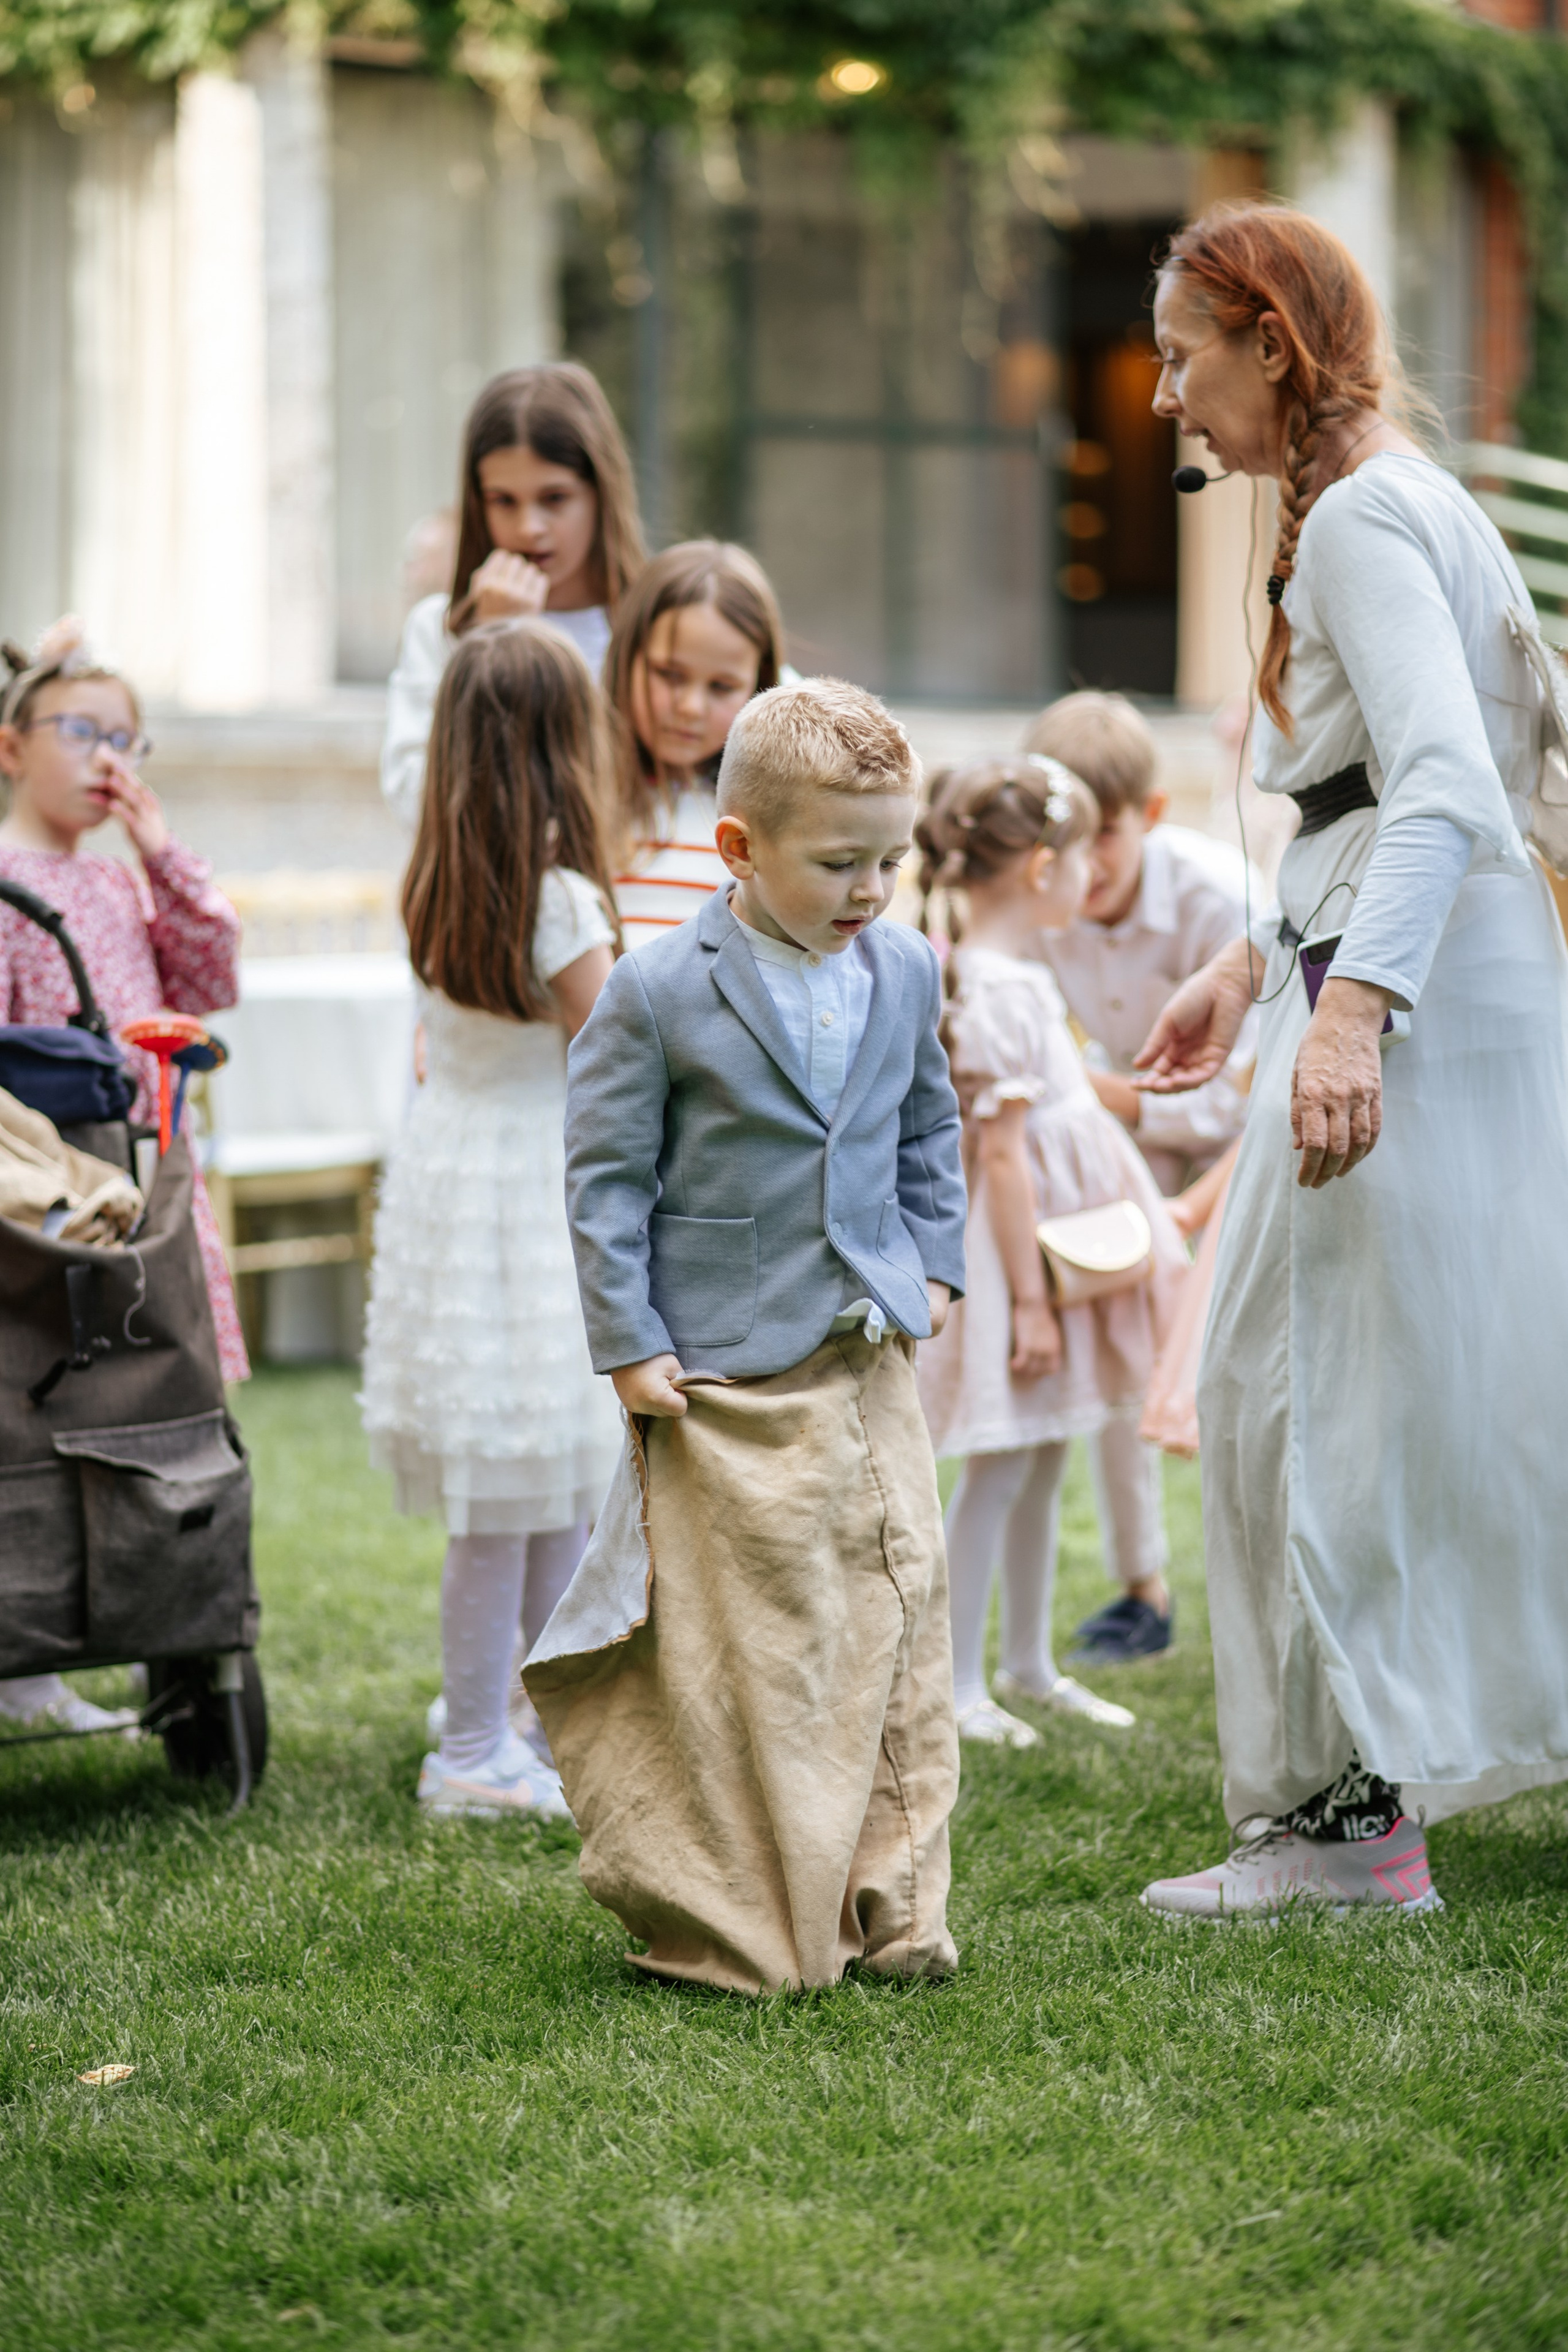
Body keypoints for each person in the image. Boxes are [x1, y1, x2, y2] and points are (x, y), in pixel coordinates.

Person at [1134, 198, 1568, 1918]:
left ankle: (1341, 1828)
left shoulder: (1366, 524)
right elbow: (1373, 794)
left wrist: (1347, 1014)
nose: (1167, 395)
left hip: (1421, 1002)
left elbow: (1450, 784)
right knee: (1443, 1399)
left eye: (1183, 355)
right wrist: (1251, 965)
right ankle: (1375, 1787)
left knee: (1289, 1399)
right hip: (1445, 977)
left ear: (1269, 340)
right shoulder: (1390, 503)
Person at [526, 678, 968, 1994]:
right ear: (737, 849)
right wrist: (626, 1342)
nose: (872, 888)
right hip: (717, 1374)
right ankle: (747, 1912)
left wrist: (932, 1267)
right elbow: (604, 1179)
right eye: (840, 862)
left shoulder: (907, 967)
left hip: (866, 1345)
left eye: (891, 857)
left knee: (901, 1621)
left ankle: (900, 1909)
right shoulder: (658, 988)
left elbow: (928, 1131)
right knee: (754, 1659)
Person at [361, 620, 624, 1819]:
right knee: (523, 1495)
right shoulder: (559, 899)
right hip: (528, 1193)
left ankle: (528, 1721)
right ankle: (471, 1747)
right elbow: (620, 1045)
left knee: (533, 1488)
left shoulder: (440, 880)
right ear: (566, 750)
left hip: (455, 1175)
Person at [0, 619, 246, 1734]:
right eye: (83, 730)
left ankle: (173, 1622)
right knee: (41, 1398)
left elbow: (211, 977)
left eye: (129, 741)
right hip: (45, 1190)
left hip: (138, 1180)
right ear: (13, 747)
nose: (109, 758)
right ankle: (30, 1666)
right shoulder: (9, 885)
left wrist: (165, 855)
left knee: (159, 1389)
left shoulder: (124, 887)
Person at [914, 758, 1187, 1749]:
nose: (1090, 877)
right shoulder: (994, 987)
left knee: (1042, 1460)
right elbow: (1000, 1152)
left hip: (1053, 1268)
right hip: (1020, 1268)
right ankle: (955, 1686)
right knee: (999, 1465)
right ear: (1040, 867)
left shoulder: (1023, 977)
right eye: (1078, 858)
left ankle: (1028, 1663)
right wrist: (1029, 1302)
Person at [1022, 691, 1256, 1669]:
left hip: (1256, 1132)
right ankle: (1140, 1589)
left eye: (1105, 832)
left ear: (1149, 817)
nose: (1089, 856)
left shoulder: (1219, 896)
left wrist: (1118, 1104)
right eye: (1067, 832)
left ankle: (1256, 1590)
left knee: (1238, 1359)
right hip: (1136, 1128)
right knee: (1115, 1337)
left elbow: (1254, 1084)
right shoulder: (1044, 904)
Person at [380, 364, 646, 831]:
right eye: (504, 500)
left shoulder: (659, 622)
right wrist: (495, 650)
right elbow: (412, 798)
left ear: (601, 492)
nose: (529, 528)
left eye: (555, 498)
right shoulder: (442, 630)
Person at [605, 540, 784, 949]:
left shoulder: (768, 816)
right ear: (625, 657)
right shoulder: (578, 792)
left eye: (721, 686)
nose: (690, 707)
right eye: (669, 674)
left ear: (760, 686)